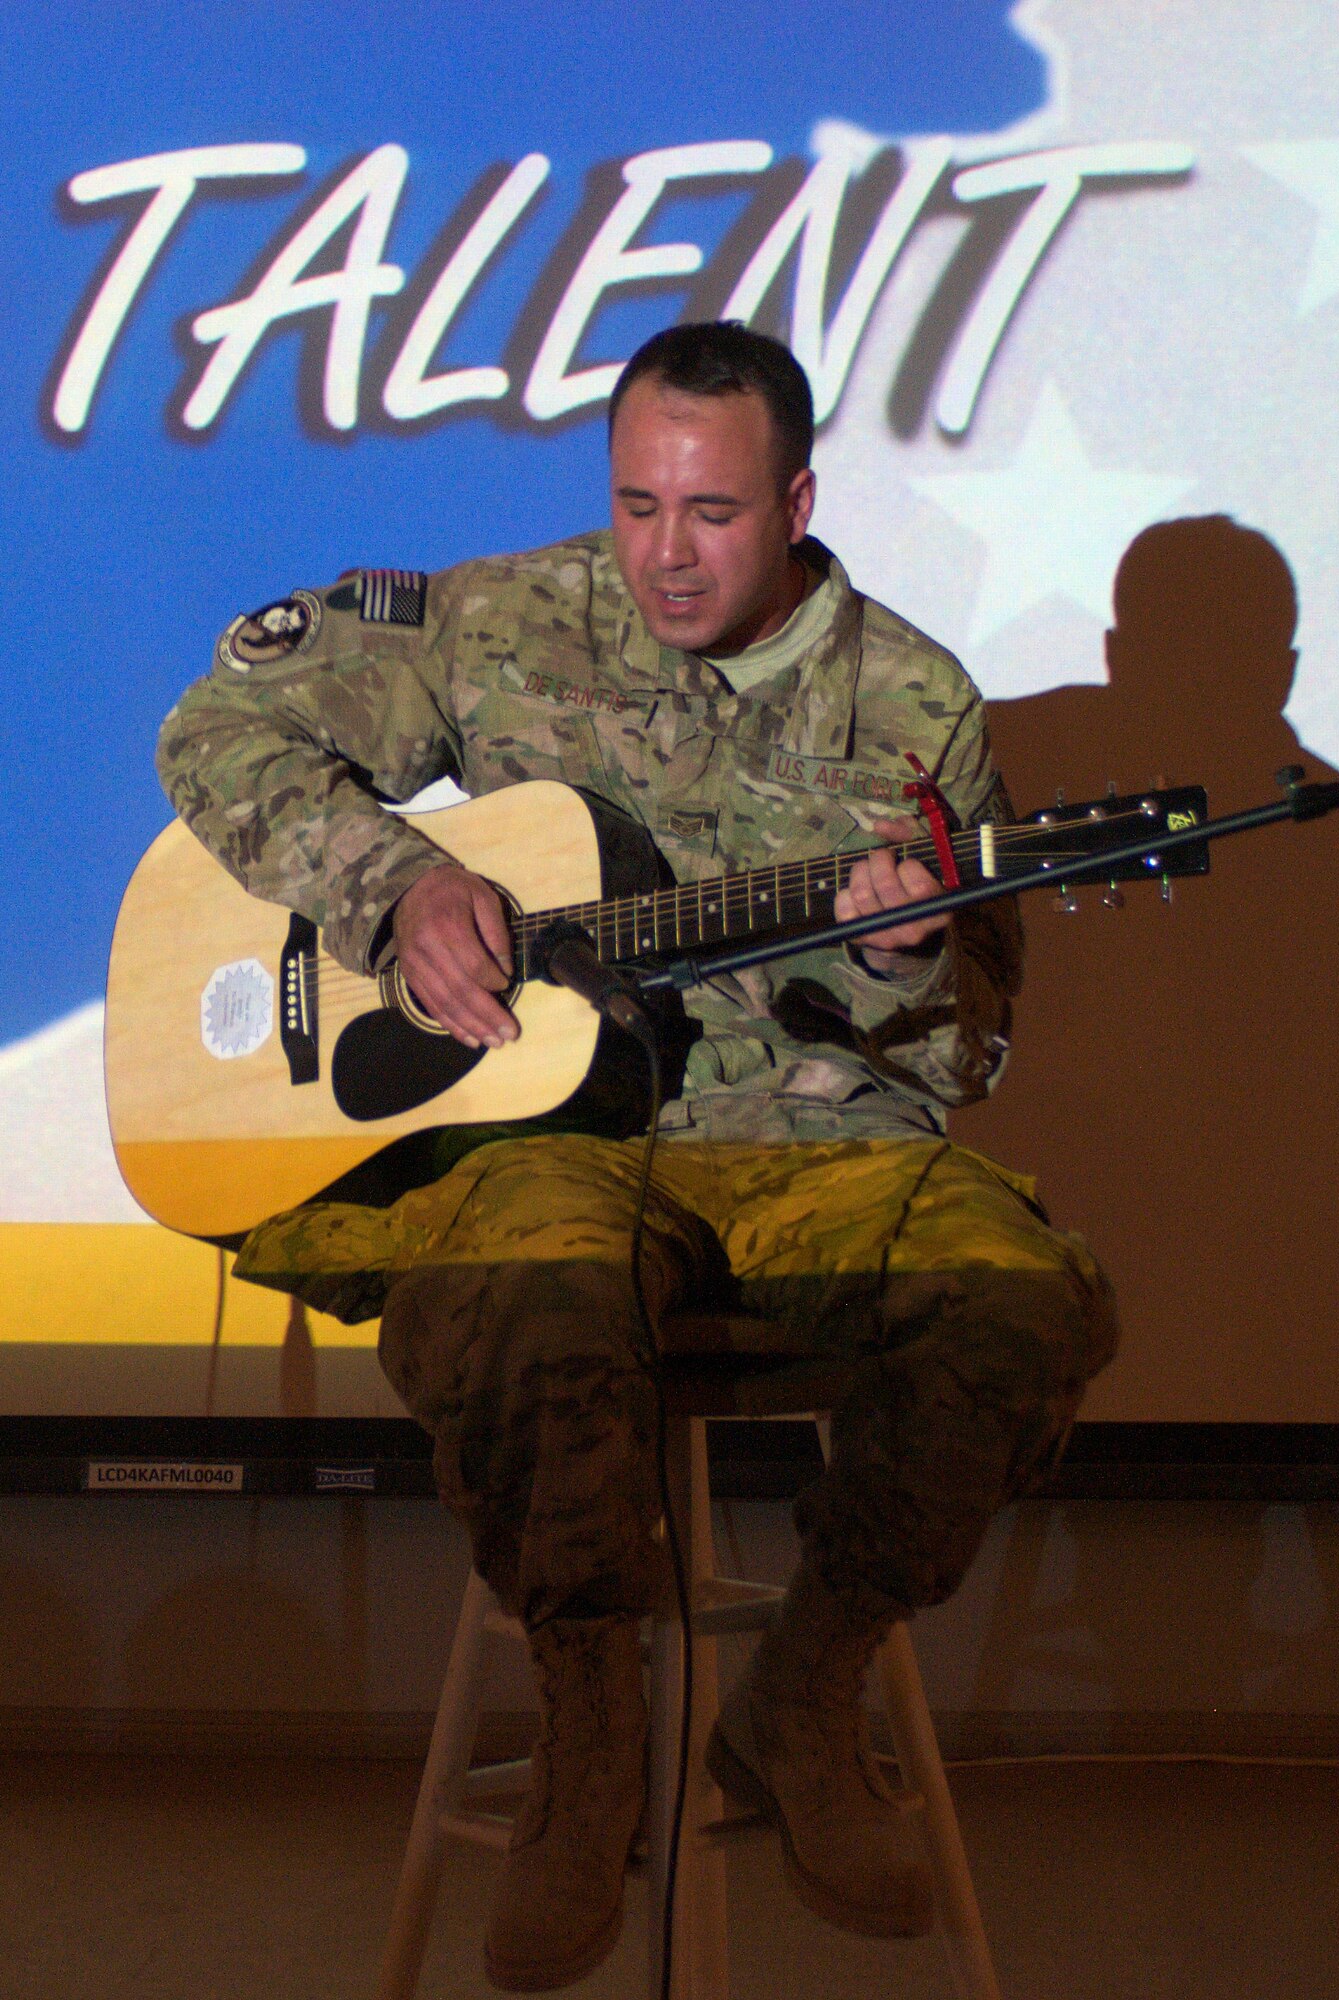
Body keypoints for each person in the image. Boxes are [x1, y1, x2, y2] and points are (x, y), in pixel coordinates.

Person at [158, 322, 1118, 1991]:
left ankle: (802, 1692)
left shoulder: (915, 703)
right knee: (522, 1292)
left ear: (799, 498)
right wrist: (395, 886)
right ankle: (590, 1729)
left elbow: (967, 1055)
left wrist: (906, 967)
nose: (666, 556)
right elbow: (216, 734)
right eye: (637, 507)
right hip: (551, 1138)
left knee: (1018, 1300)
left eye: (715, 517)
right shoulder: (500, 617)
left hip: (796, 1140)